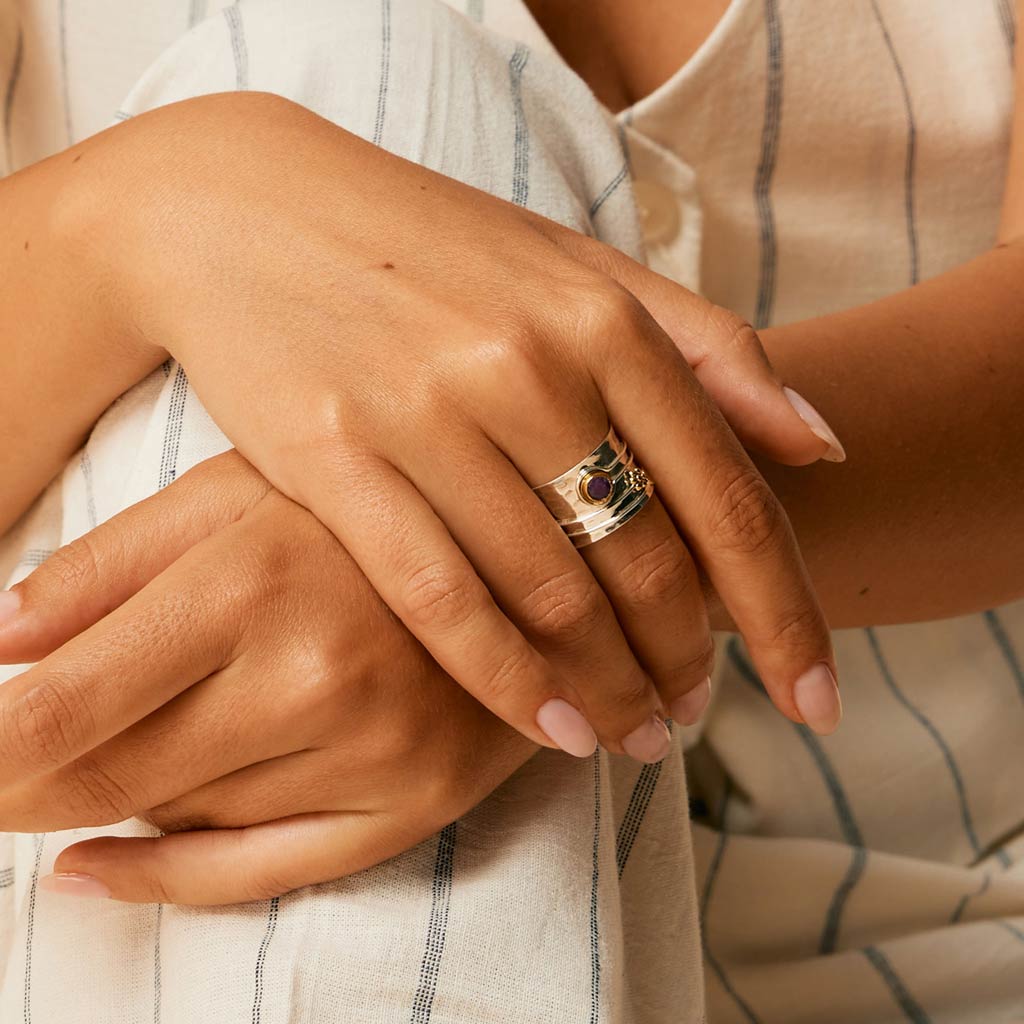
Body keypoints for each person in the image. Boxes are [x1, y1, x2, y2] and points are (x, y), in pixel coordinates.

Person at [0, 1, 1021, 1021]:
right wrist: (146, 210)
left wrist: (493, 537)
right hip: (98, 929)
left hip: (955, 913)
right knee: (358, 64)